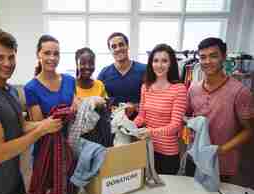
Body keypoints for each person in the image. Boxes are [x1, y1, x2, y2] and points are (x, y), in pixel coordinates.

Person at [0, 29, 63, 194]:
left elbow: (22, 126)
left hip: (13, 181)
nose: (7, 63)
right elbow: (0, 153)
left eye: (11, 57)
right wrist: (42, 130)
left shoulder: (11, 91)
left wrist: (47, 123)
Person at [186, 37, 254, 182]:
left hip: (221, 162)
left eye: (213, 56)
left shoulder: (240, 92)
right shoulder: (194, 88)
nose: (207, 61)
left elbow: (249, 130)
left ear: (224, 57)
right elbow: (188, 117)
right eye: (203, 57)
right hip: (195, 157)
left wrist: (222, 149)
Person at [134, 44, 187, 175]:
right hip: (147, 148)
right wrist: (127, 125)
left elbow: (175, 126)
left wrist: (150, 132)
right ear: (151, 63)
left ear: (171, 64)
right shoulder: (145, 87)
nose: (159, 65)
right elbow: (141, 116)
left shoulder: (179, 89)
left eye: (164, 61)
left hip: (167, 153)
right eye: (155, 60)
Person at [24, 34, 76, 160]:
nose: (52, 58)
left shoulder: (69, 80)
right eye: (47, 53)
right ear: (38, 55)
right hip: (46, 149)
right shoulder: (31, 88)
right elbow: (40, 125)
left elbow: (75, 106)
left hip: (70, 144)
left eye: (56, 54)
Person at [97, 32, 146, 108]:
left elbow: (152, 99)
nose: (118, 49)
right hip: (113, 119)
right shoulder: (104, 73)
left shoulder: (144, 70)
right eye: (114, 46)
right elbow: (98, 98)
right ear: (110, 50)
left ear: (127, 46)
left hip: (139, 118)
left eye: (121, 44)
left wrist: (135, 106)